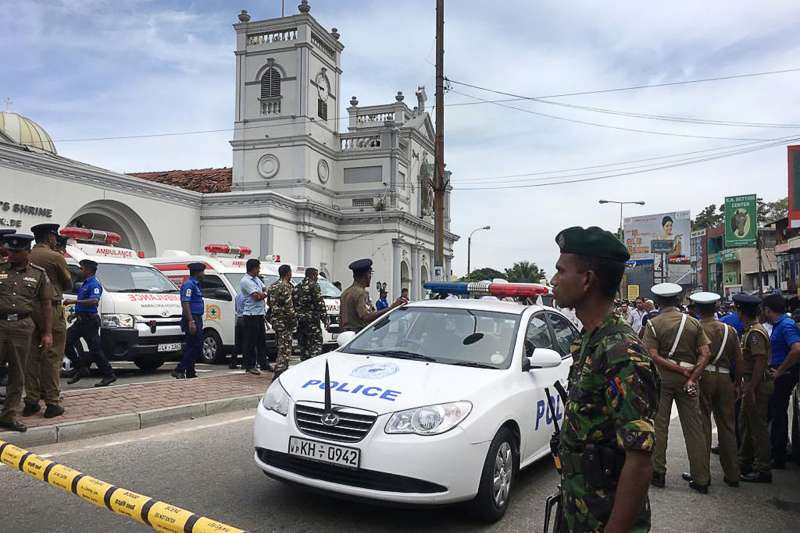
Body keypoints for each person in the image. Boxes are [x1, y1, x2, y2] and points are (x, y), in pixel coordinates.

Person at [550, 226, 659, 532]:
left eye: (561, 271)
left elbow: (639, 461)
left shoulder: (622, 353)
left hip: (605, 520)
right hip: (579, 511)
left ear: (587, 280)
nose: (554, 280)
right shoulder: (590, 339)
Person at [643, 282, 711, 493]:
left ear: (659, 302)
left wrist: (675, 369)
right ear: (678, 300)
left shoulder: (653, 324)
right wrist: (691, 376)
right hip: (689, 379)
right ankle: (701, 478)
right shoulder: (693, 323)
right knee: (694, 429)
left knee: (659, 426)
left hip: (662, 380)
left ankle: (658, 473)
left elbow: (652, 355)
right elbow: (706, 353)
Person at [0, 233, 53, 432]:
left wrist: (47, 333)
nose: (11, 254)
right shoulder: (1, 269)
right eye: (10, 250)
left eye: (16, 251)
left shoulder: (39, 274)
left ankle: (8, 415)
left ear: (27, 252)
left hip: (22, 327)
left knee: (17, 373)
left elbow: (46, 305)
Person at [690, 291, 742, 487]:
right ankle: (732, 474)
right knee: (728, 425)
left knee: (701, 424)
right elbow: (739, 359)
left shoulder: (695, 328)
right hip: (725, 377)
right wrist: (737, 383)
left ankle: (702, 474)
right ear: (716, 308)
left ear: (697, 309)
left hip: (703, 376)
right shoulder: (729, 330)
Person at [24, 224, 72, 419]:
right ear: (50, 237)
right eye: (54, 236)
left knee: (31, 357)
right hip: (51, 308)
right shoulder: (55, 257)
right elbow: (68, 282)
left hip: (28, 309)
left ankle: (31, 400)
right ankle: (52, 402)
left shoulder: (26, 255)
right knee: (52, 356)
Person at [734, 292, 773, 483]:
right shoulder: (750, 330)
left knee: (757, 427)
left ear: (742, 312)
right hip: (750, 383)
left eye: (737, 310)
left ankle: (762, 468)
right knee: (746, 424)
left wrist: (751, 388)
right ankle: (744, 461)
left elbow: (760, 361)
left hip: (756, 384)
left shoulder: (755, 333)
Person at [762, 294, 800, 469]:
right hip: (780, 373)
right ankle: (778, 450)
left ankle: (778, 455)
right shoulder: (779, 325)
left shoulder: (786, 325)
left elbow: (796, 349)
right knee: (776, 414)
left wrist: (780, 371)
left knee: (778, 415)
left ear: (768, 310)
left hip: (784, 376)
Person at [66, 260, 116, 387]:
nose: (80, 271)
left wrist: (73, 302)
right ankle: (80, 367)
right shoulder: (85, 284)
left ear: (88, 270)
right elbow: (84, 303)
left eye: (82, 269)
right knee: (66, 342)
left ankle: (109, 375)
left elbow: (94, 301)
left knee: (95, 350)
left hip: (89, 321)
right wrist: (75, 314)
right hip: (81, 320)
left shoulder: (94, 284)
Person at [339, 259, 407, 333]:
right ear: (367, 275)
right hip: (358, 335)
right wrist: (391, 308)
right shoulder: (361, 293)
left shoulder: (345, 293)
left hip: (345, 335)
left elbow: (341, 318)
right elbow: (366, 316)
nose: (370, 277)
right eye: (370, 274)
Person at [172, 262, 205, 379]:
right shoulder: (189, 285)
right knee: (196, 345)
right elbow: (185, 303)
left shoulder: (196, 284)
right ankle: (179, 369)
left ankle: (190, 371)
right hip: (192, 317)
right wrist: (191, 320)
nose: (203, 274)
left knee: (192, 345)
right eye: (202, 271)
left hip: (196, 317)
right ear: (197, 272)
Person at [240, 259, 270, 375]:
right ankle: (250, 365)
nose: (259, 270)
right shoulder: (246, 281)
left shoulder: (256, 279)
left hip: (259, 314)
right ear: (253, 268)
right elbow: (257, 297)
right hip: (250, 315)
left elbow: (264, 289)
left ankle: (264, 364)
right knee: (250, 342)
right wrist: (266, 294)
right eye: (258, 268)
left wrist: (264, 293)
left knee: (261, 341)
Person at [267, 264, 296, 380]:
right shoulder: (286, 287)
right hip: (285, 321)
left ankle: (280, 370)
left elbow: (269, 303)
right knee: (285, 349)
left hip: (276, 321)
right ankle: (280, 373)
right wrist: (294, 320)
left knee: (280, 345)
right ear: (288, 273)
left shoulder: (273, 286)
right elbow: (289, 307)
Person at [293, 267, 329, 361]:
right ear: (312, 275)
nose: (317, 278)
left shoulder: (297, 286)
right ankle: (314, 365)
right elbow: (319, 303)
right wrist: (325, 319)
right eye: (316, 275)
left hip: (300, 321)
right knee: (316, 344)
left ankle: (304, 362)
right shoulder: (314, 286)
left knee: (303, 345)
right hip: (312, 321)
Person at [231, 291, 245, 369]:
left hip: (239, 319)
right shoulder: (248, 296)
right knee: (247, 342)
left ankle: (233, 363)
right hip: (246, 319)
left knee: (237, 343)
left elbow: (236, 308)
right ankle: (245, 363)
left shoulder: (238, 296)